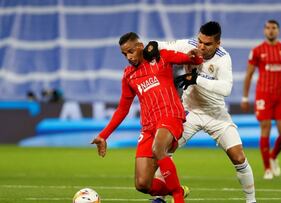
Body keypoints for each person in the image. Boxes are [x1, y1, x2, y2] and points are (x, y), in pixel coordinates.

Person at [91, 32, 203, 203]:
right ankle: (178, 189)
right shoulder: (129, 75)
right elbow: (122, 109)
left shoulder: (161, 57)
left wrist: (195, 57)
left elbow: (190, 60)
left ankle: (179, 198)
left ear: (140, 46)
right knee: (143, 184)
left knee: (158, 149)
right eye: (124, 54)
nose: (128, 57)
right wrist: (103, 136)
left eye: (130, 51)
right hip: (148, 126)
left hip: (170, 115)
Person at [152, 21, 256, 203]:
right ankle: (159, 197)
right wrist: (152, 46)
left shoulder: (224, 58)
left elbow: (226, 89)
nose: (201, 46)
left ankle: (251, 201)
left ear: (218, 44)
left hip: (216, 115)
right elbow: (160, 46)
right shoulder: (189, 45)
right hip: (189, 112)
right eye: (200, 41)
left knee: (238, 157)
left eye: (207, 44)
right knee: (164, 149)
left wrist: (197, 79)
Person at [241, 20, 281, 180]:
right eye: (268, 28)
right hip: (263, 95)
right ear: (264, 31)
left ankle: (272, 156)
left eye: (273, 28)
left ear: (278, 31)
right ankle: (267, 169)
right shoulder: (257, 51)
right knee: (265, 128)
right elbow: (249, 75)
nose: (271, 31)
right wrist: (245, 97)